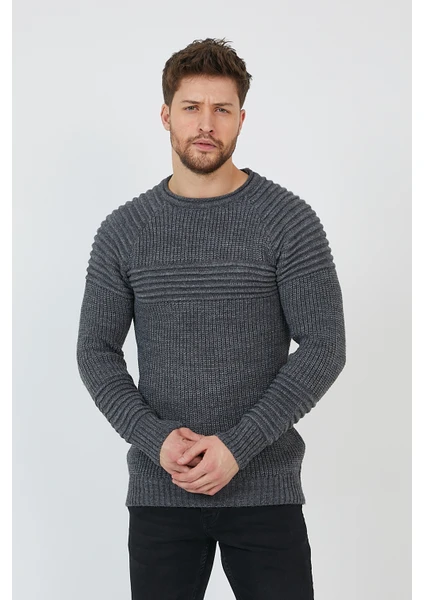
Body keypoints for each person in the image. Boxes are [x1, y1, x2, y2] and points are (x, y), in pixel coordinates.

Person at [76, 37, 346, 600]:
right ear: (166, 115)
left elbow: (325, 345)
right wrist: (154, 439)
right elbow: (95, 352)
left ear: (241, 119)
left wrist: (239, 446)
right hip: (161, 490)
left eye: (222, 109)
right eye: (191, 107)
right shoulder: (124, 230)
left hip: (265, 490)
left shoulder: (288, 221)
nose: (206, 124)